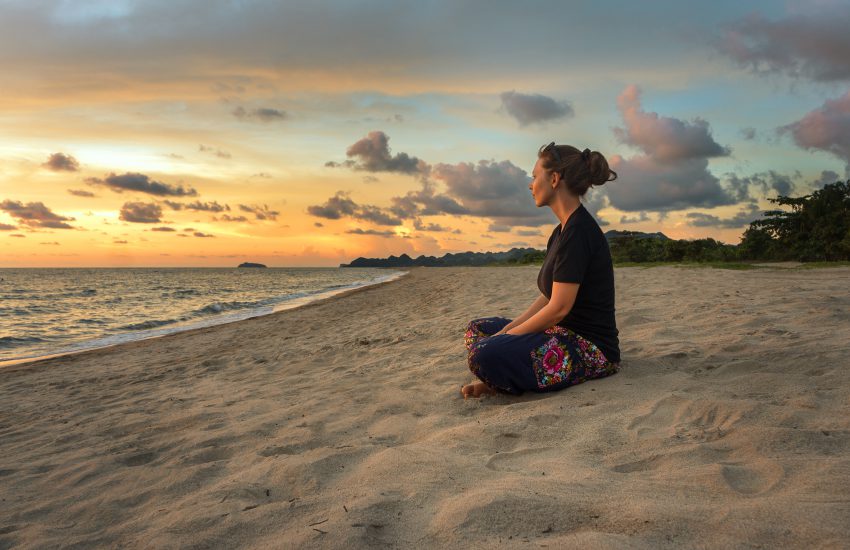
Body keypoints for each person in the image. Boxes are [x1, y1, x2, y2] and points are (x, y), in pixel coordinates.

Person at [461, 142, 620, 398]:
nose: (530, 184)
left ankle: (501, 381)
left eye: (535, 176)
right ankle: (503, 377)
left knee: (485, 353)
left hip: (588, 348)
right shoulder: (561, 231)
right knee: (478, 330)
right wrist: (506, 332)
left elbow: (559, 309)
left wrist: (504, 339)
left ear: (554, 179)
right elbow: (548, 297)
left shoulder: (579, 231)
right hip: (558, 333)